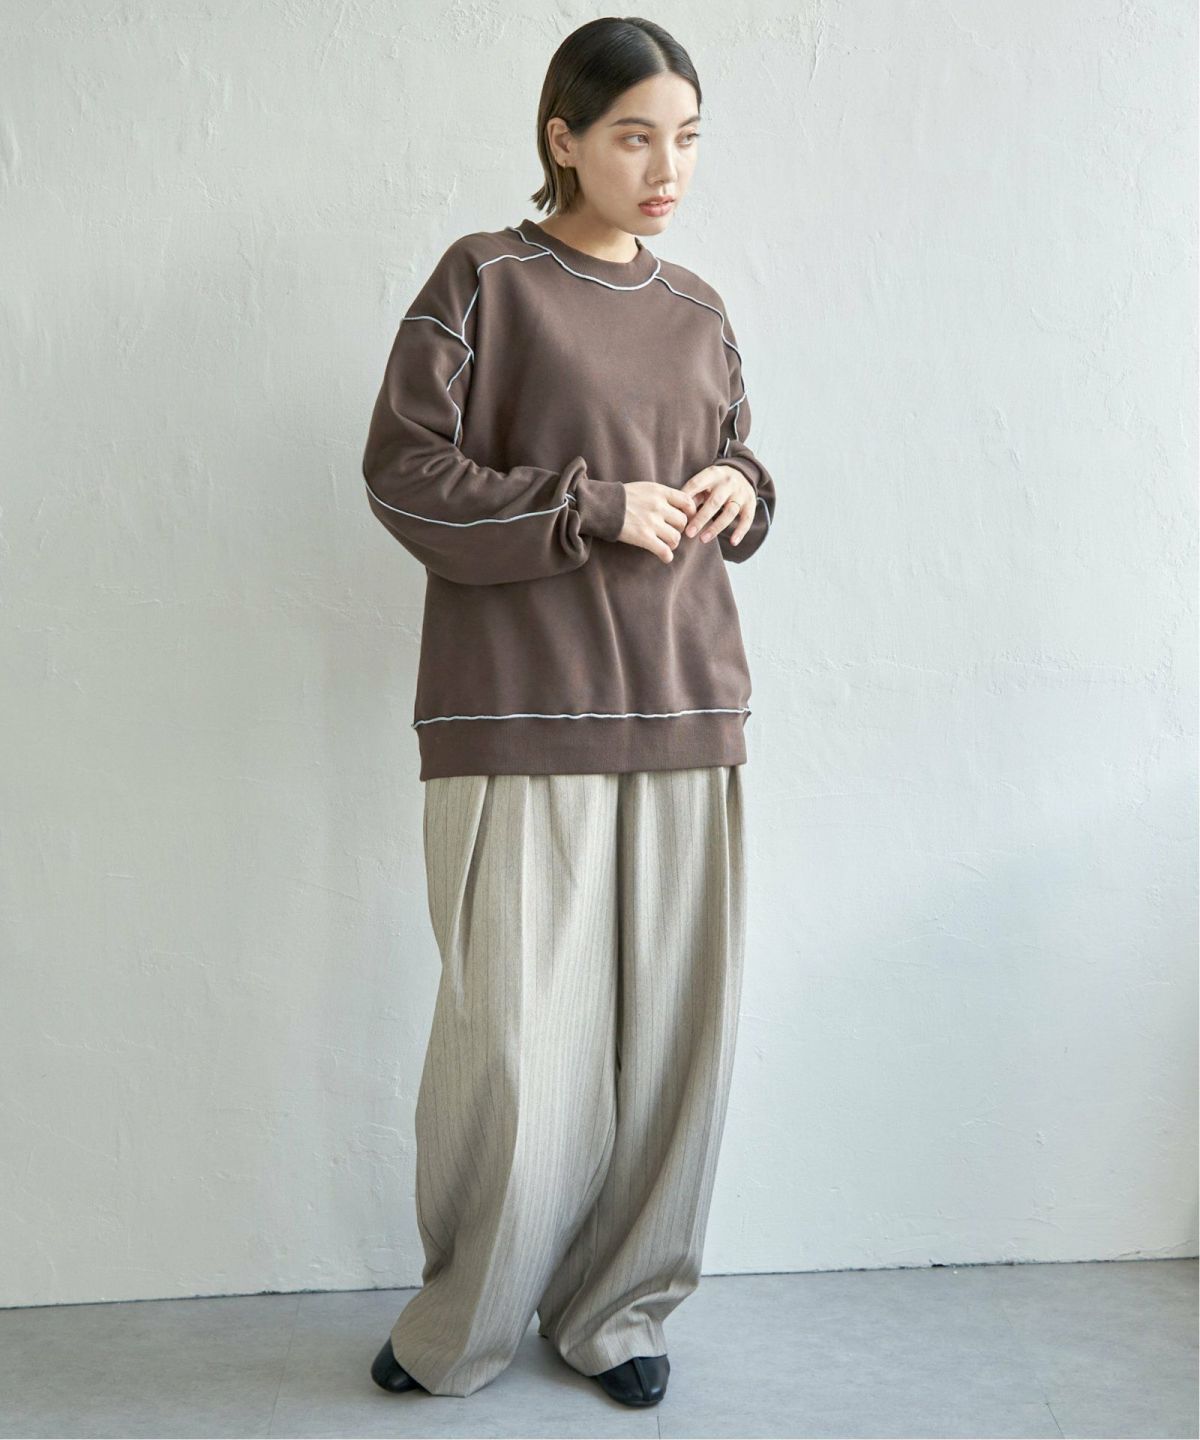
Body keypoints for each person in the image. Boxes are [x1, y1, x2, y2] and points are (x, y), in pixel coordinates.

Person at [361, 14, 776, 1408]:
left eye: (687, 139)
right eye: (634, 137)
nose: (668, 169)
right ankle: (465, 1320)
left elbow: (733, 454)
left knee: (671, 1051)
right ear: (565, 139)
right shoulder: (486, 279)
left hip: (689, 703)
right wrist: (588, 506)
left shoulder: (699, 309)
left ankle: (619, 1313)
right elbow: (404, 472)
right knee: (516, 1052)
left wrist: (744, 487)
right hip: (521, 712)